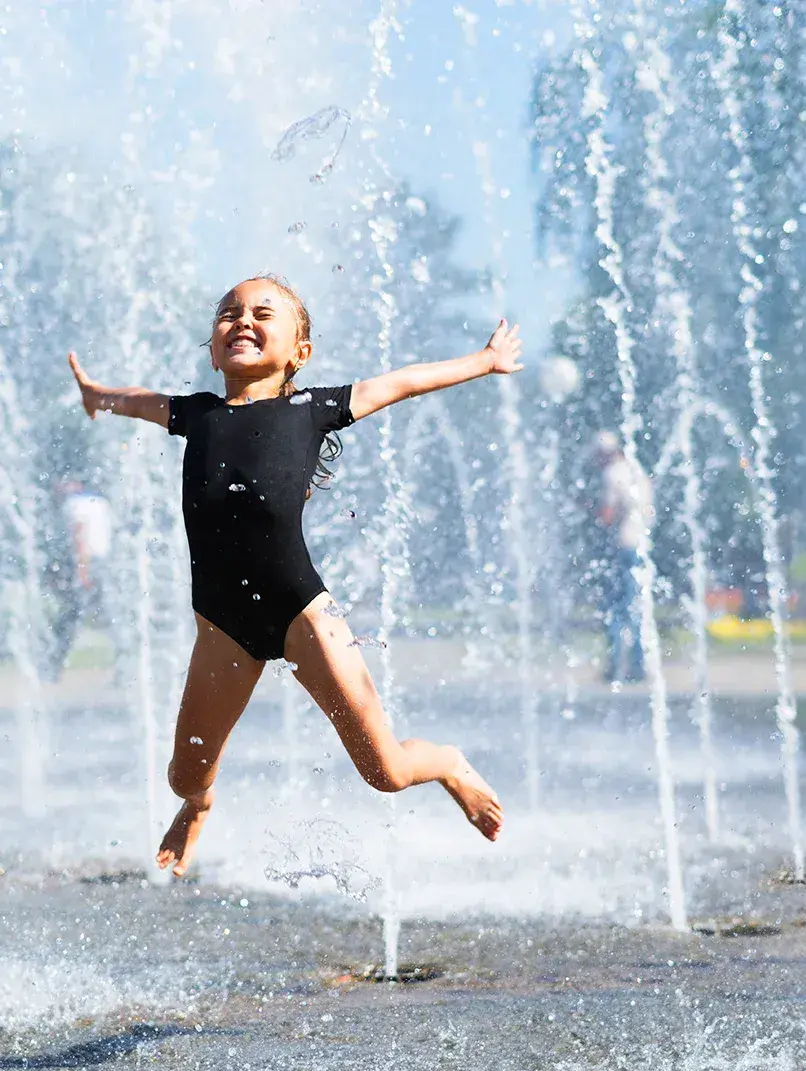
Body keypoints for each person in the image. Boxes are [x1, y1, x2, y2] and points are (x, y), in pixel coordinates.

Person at [67, 276, 518, 876]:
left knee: (386, 772)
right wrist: (100, 397)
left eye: (262, 313)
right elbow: (139, 400)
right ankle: (200, 806)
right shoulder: (195, 414)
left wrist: (485, 362)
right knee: (183, 777)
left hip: (302, 611)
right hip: (222, 624)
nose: (242, 321)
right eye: (229, 313)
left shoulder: (314, 409)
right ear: (212, 346)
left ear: (299, 351)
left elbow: (404, 382)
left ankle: (449, 764)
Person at [594, 431, 653, 684]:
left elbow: (607, 515)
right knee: (636, 605)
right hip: (642, 544)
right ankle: (638, 665)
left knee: (616, 608)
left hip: (623, 545)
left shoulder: (612, 474)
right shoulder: (637, 471)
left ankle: (616, 663)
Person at [43, 479, 113, 682]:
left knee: (70, 616)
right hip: (102, 562)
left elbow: (79, 535)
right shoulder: (100, 501)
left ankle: (53, 665)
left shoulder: (74, 504)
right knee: (110, 616)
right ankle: (126, 666)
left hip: (87, 563)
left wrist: (82, 570)